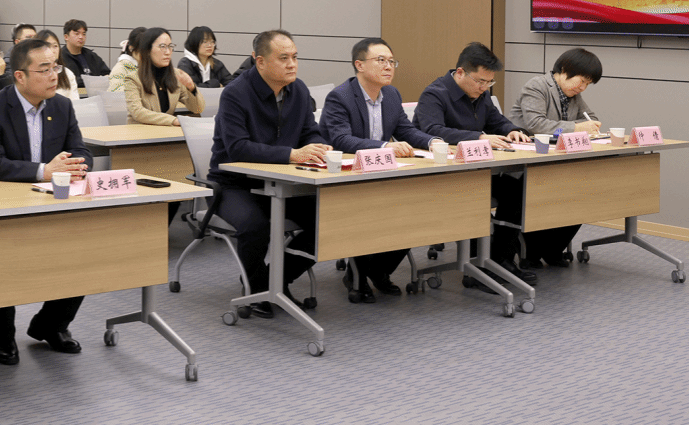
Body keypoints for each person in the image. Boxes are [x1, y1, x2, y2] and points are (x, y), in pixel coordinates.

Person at [0, 38, 92, 364]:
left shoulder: (62, 106)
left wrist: (74, 166)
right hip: (4, 207)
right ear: (20, 76)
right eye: (45, 69)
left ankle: (51, 325)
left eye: (56, 67)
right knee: (4, 257)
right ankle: (4, 332)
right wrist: (43, 171)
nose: (54, 75)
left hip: (53, 203)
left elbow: (81, 151)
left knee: (86, 247)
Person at [209, 29, 330, 318]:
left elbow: (309, 132)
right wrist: (292, 154)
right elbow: (238, 148)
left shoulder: (298, 90)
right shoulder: (235, 93)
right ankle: (256, 287)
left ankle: (275, 281)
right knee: (255, 226)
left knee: (326, 220)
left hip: (284, 182)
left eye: (295, 57)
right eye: (284, 58)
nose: (292, 64)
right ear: (260, 61)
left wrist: (318, 147)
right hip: (235, 184)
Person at [321, 38, 435, 302]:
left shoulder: (391, 95)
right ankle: (358, 277)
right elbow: (341, 140)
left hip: (383, 174)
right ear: (359, 65)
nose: (388, 66)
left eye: (392, 61)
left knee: (417, 209)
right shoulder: (340, 96)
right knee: (367, 212)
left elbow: (406, 131)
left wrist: (433, 142)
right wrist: (385, 146)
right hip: (348, 178)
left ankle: (378, 270)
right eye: (381, 60)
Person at [415, 42, 535, 289]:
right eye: (480, 81)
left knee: (518, 189)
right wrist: (479, 137)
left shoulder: (482, 95)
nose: (484, 87)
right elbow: (432, 130)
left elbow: (497, 121)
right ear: (460, 72)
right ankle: (476, 269)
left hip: (477, 172)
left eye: (489, 82)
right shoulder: (434, 94)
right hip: (442, 176)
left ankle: (501, 259)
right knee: (474, 196)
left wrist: (512, 131)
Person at [508, 47, 604, 266]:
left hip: (555, 161)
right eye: (582, 81)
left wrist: (586, 126)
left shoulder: (574, 95)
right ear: (565, 69)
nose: (582, 87)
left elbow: (591, 118)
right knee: (548, 193)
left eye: (588, 84)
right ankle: (532, 251)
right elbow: (536, 125)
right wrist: (577, 127)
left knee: (582, 192)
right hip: (525, 163)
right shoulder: (536, 86)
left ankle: (551, 249)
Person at [121, 28, 203, 125]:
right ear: (147, 50)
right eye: (162, 46)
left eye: (170, 46)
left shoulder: (176, 75)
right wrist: (173, 120)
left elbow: (198, 109)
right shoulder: (133, 78)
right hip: (140, 131)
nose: (168, 52)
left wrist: (192, 88)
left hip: (166, 131)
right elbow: (138, 112)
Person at [35, 30, 80, 100]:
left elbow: (74, 102)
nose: (53, 51)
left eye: (55, 46)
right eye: (47, 46)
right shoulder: (33, 73)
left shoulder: (68, 74)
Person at [106, 26, 149, 92]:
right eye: (142, 49)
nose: (146, 53)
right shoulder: (120, 70)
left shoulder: (150, 66)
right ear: (131, 48)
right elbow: (116, 94)